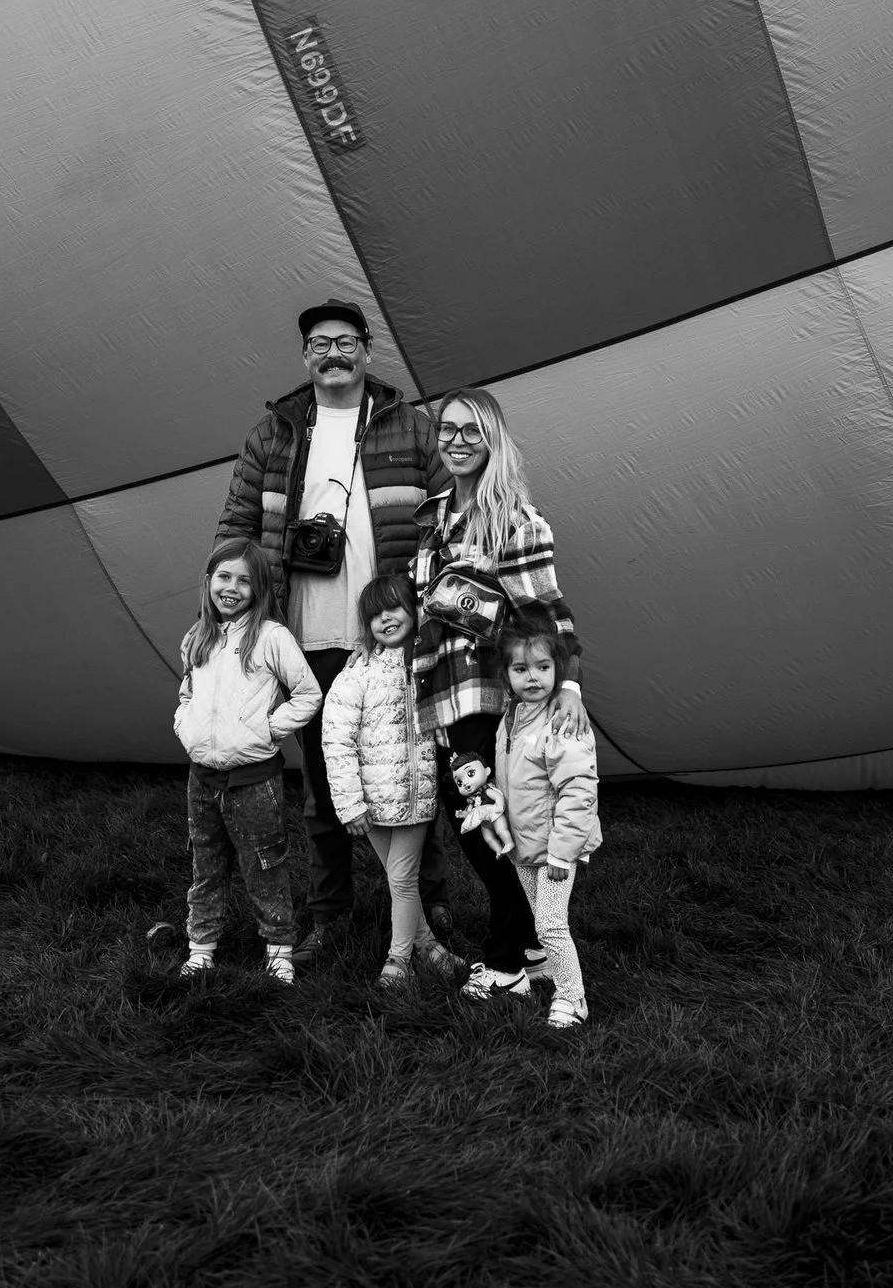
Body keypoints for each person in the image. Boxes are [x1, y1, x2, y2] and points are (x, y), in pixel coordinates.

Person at [217, 300, 452, 965]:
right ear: (305, 357)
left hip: (390, 635)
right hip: (306, 636)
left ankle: (427, 902)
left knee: (415, 771)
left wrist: (430, 591)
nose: (333, 354)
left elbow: (448, 509)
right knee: (323, 784)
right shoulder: (276, 432)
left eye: (346, 342)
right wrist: (235, 612)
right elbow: (237, 521)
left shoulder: (409, 428)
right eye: (319, 344)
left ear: (368, 351)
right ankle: (331, 911)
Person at [411, 387, 590, 1000]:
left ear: (492, 439)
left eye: (471, 431)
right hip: (438, 689)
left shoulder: (514, 519)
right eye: (447, 430)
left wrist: (567, 682)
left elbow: (546, 609)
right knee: (478, 821)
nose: (457, 441)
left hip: (485, 693)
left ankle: (508, 958)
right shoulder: (434, 514)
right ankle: (537, 946)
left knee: (484, 826)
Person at [172, 538, 321, 983]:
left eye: (244, 580)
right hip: (203, 779)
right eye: (223, 577)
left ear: (259, 589)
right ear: (208, 582)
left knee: (265, 863)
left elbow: (308, 693)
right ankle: (201, 947)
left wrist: (268, 730)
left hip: (255, 779)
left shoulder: (272, 637)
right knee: (206, 861)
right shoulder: (196, 637)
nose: (231, 588)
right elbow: (187, 693)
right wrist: (186, 724)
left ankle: (278, 948)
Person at [321, 574, 468, 988]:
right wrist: (350, 804)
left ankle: (397, 959)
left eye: (394, 608)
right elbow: (336, 739)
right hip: (371, 802)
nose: (385, 619)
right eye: (374, 615)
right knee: (397, 879)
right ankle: (428, 946)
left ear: (416, 609)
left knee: (402, 878)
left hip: (416, 796)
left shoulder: (430, 665)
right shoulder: (358, 673)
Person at [491, 606, 601, 1028]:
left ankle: (573, 999)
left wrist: (561, 854)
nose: (532, 677)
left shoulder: (562, 720)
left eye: (542, 667)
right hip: (524, 844)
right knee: (541, 922)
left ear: (558, 669)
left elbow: (578, 790)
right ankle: (552, 973)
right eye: (521, 668)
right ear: (507, 675)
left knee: (552, 925)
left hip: (555, 848)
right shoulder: (511, 718)